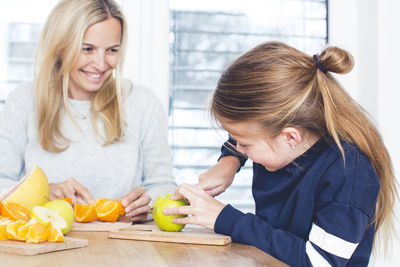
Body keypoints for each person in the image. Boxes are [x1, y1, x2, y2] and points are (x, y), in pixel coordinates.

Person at [164, 41, 398, 266]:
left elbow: (318, 262)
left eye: (245, 145)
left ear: (290, 137)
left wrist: (225, 219)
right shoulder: (280, 142)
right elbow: (243, 135)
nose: (240, 147)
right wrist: (229, 162)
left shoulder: (349, 173)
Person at [0, 0, 176, 221]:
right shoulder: (24, 101)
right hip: (43, 244)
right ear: (60, 46)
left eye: (112, 50)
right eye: (87, 49)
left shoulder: (143, 103)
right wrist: (45, 192)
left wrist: (147, 203)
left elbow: (164, 186)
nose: (100, 64)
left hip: (123, 246)